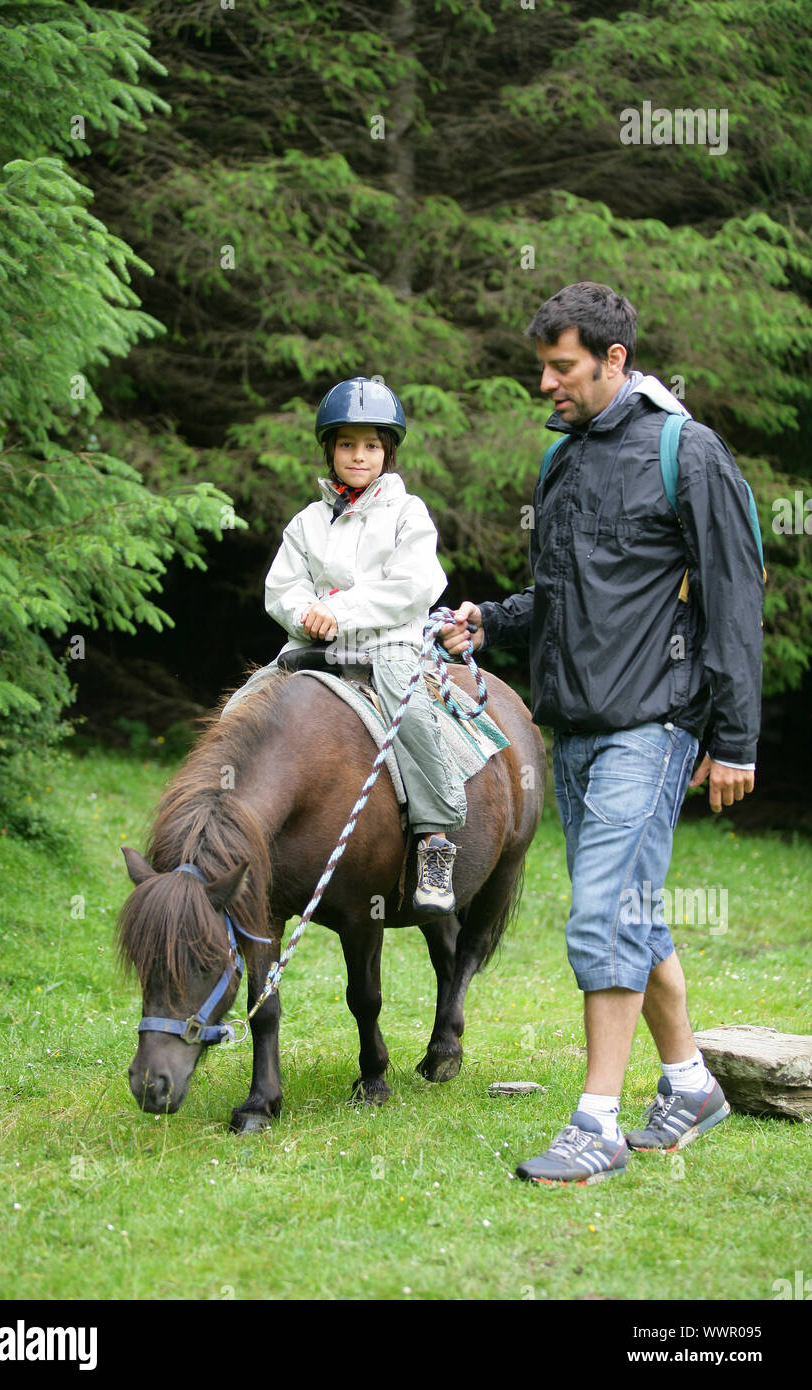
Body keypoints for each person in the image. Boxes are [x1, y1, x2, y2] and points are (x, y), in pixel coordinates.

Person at [440, 282, 764, 1184]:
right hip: (574, 731)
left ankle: (597, 1124)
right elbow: (570, 597)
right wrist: (490, 622)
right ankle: (691, 1083)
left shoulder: (684, 452)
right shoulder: (566, 461)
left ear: (614, 361)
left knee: (605, 914)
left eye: (563, 367)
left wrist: (735, 739)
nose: (546, 383)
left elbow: (736, 599)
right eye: (543, 367)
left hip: (653, 725)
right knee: (635, 911)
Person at [222, 375, 467, 914]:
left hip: (388, 648)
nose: (359, 455)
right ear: (330, 449)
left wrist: (339, 609)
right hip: (309, 650)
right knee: (241, 707)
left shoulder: (409, 514)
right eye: (347, 444)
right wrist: (305, 615)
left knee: (417, 721)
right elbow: (282, 587)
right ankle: (220, 823)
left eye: (372, 445)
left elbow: (414, 585)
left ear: (388, 452)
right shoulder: (306, 522)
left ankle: (435, 839)